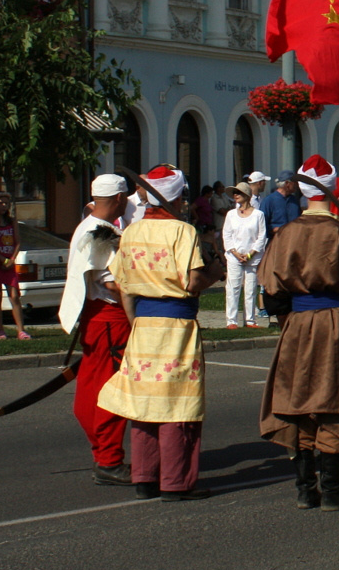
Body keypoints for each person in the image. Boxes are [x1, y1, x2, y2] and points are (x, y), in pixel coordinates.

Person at [258, 156, 339, 510]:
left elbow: (270, 286)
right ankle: (333, 491)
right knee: (335, 399)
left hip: (297, 324)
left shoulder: (287, 233)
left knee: (300, 401)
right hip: (334, 323)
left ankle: (306, 489)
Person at [97, 165, 216, 501]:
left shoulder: (131, 232)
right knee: (176, 403)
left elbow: (123, 285)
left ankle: (145, 477)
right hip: (175, 328)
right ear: (176, 196)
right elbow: (192, 283)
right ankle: (176, 482)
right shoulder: (183, 232)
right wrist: (215, 274)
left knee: (144, 403)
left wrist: (135, 323)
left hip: (144, 327)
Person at [59, 174, 132, 486]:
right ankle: (108, 459)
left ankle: (104, 453)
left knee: (92, 388)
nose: (128, 201)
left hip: (97, 318)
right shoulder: (99, 231)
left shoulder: (86, 225)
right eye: (125, 197)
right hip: (109, 318)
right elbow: (112, 282)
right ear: (118, 199)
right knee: (113, 391)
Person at [0, 191, 29, 341]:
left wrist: (12, 259)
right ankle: (0, 330)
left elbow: (18, 242)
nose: (3, 206)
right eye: (0, 203)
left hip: (10, 262)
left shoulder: (11, 221)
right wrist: (2, 260)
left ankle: (21, 330)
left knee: (14, 296)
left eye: (6, 203)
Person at [221, 182, 266, 328]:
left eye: (238, 193)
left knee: (250, 288)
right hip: (234, 256)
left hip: (251, 257)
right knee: (233, 287)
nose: (235, 195)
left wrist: (251, 254)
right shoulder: (231, 214)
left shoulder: (258, 215)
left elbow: (261, 236)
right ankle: (231, 320)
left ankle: (250, 319)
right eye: (234, 193)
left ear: (246, 196)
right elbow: (227, 235)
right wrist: (234, 252)